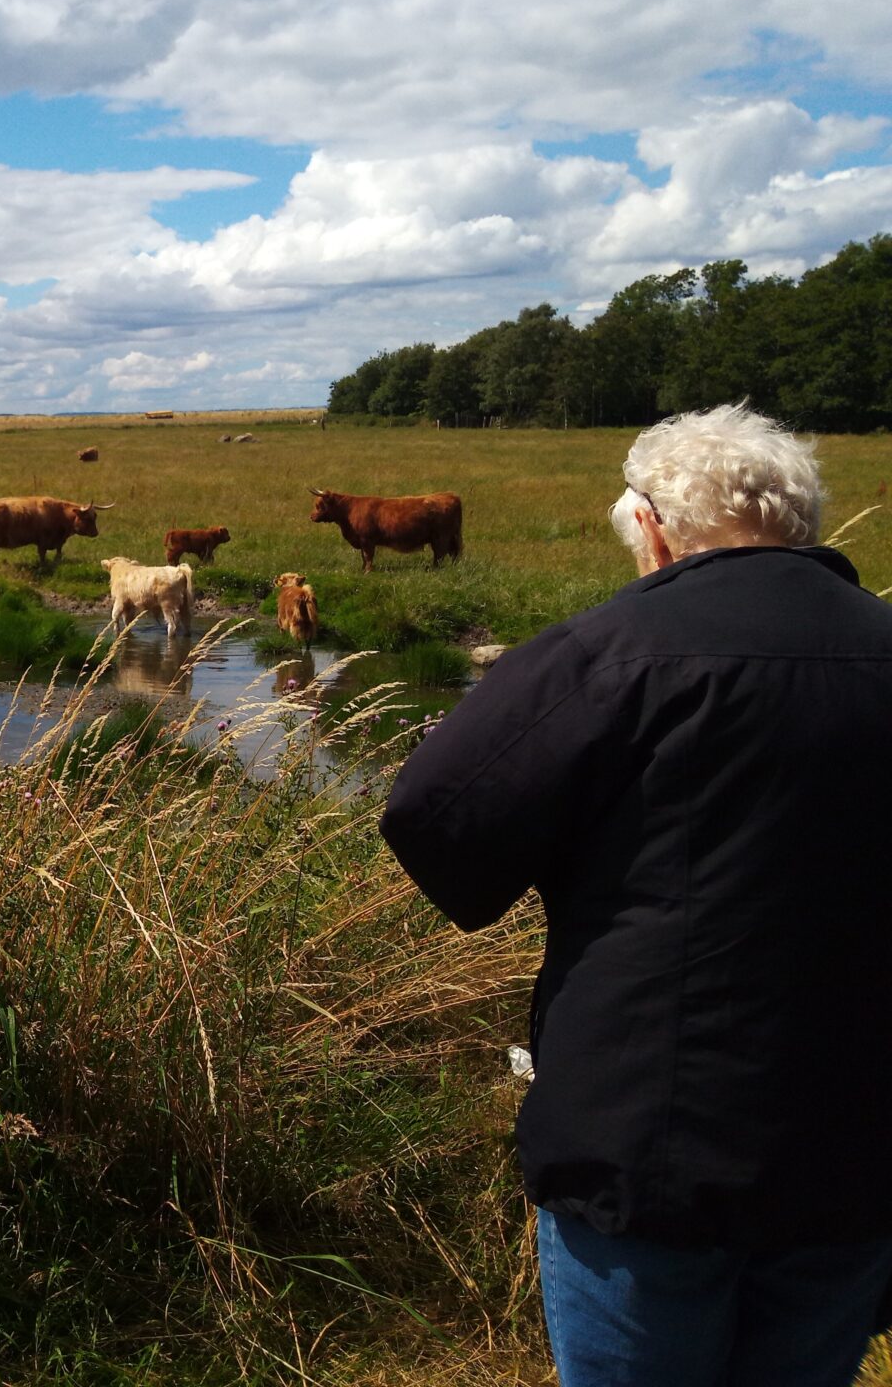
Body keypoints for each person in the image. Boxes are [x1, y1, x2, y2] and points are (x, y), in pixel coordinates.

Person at [379, 403, 892, 1386]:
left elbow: (436, 820)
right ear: (801, 523)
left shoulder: (605, 653)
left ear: (652, 527)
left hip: (647, 1145)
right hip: (861, 1141)